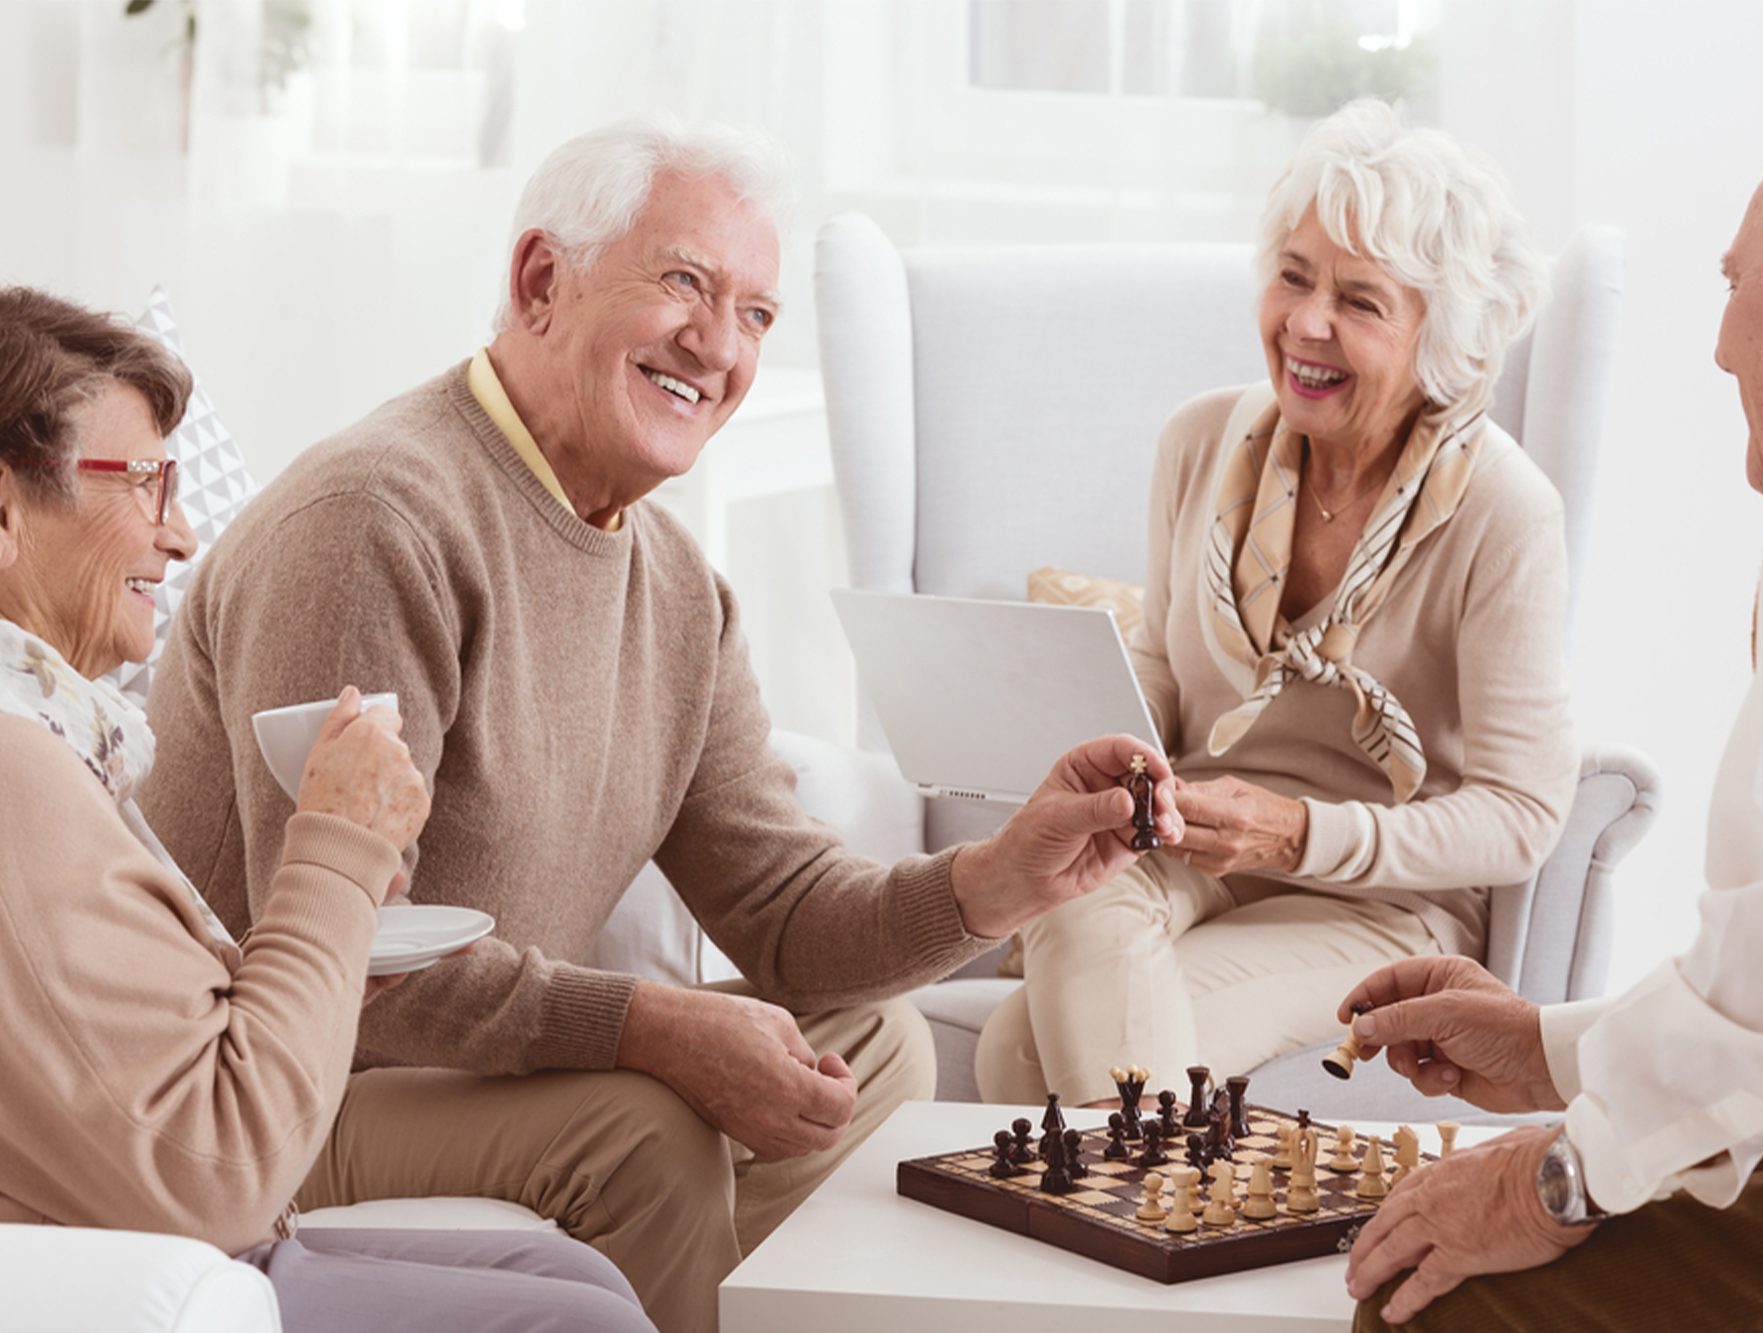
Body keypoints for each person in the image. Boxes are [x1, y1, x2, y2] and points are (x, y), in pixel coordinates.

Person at [138, 119, 1182, 1333]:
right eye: (686, 282)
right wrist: (649, 1026)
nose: (719, 345)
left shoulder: (681, 590)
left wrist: (1000, 879)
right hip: (271, 1091)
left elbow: (786, 911)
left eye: (756, 314)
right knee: (645, 1132)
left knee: (873, 1047)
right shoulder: (378, 519)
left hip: (452, 1067)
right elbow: (350, 963)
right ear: (541, 281)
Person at [0, 287, 656, 1332]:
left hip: (185, 1209)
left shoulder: (57, 738)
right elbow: (220, 1170)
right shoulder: (16, 769)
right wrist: (335, 851)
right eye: (147, 485)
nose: (182, 536)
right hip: (153, 1253)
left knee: (577, 1282)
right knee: (587, 1318)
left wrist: (344, 886)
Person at [974, 98, 1582, 1108]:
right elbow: (1168, 677)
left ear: (1444, 338)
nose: (1306, 321)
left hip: (1383, 897)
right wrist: (1082, 740)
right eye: (1294, 276)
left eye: (1361, 300)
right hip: (1189, 846)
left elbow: (1521, 816)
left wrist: (1299, 834)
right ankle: (1160, 1240)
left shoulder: (1505, 511)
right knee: (1076, 886)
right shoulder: (1200, 443)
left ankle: (1146, 1237)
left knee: (1019, 1052)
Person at [1337, 171, 1763, 1332]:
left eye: (1738, 287)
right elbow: (1754, 994)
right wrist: (1548, 1050)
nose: (1721, 347)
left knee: (1421, 1299)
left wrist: (1555, 1179)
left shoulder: (1502, 505)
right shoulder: (1205, 456)